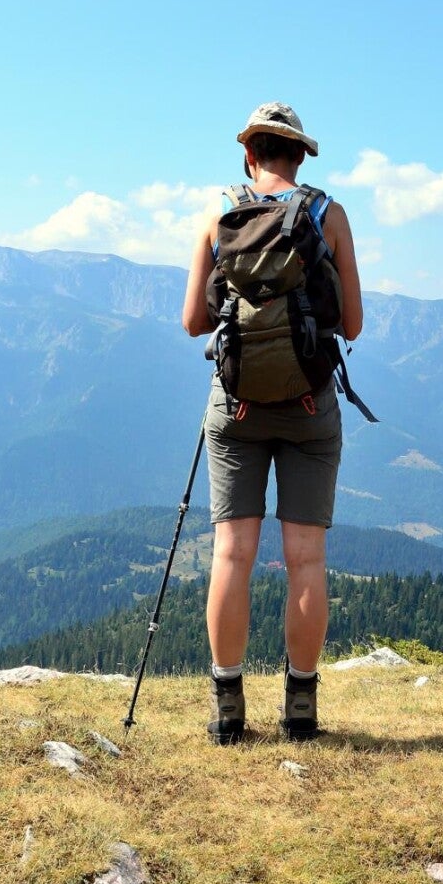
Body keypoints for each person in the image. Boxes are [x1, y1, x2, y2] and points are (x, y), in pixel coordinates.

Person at [181, 102, 365, 745]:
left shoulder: (221, 212)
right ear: (300, 155)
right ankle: (301, 711)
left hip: (236, 407)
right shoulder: (328, 214)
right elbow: (354, 324)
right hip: (311, 406)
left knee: (232, 553)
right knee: (305, 560)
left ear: (249, 154)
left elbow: (193, 323)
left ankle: (228, 707)